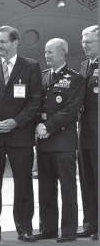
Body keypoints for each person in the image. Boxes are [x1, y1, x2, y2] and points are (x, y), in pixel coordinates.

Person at [0, 26, 42, 243]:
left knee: (23, 184)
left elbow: (35, 101)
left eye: (3, 42)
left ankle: (24, 228)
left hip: (20, 135)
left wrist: (17, 121)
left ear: (15, 43)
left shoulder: (31, 67)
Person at [33, 38, 85, 243]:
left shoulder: (75, 79)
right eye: (45, 52)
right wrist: (38, 124)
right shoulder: (43, 77)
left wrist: (47, 126)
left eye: (50, 52)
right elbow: (35, 104)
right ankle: (48, 228)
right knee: (45, 188)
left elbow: (71, 109)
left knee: (67, 187)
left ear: (62, 54)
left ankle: (70, 230)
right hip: (44, 142)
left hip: (63, 142)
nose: (46, 56)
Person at [76, 25, 98, 241]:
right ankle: (91, 224)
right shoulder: (85, 65)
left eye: (88, 42)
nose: (84, 45)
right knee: (87, 180)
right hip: (85, 134)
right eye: (83, 42)